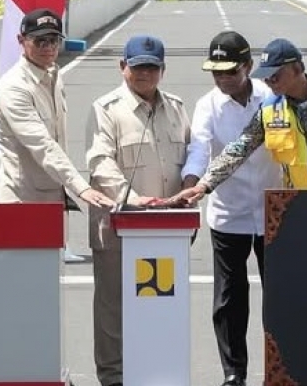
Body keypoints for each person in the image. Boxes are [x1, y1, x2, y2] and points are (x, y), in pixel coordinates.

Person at [173, 37, 307, 386]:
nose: (270, 81)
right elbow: (239, 149)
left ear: (298, 69)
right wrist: (204, 185)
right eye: (267, 76)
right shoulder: (270, 109)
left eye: (277, 75)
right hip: (302, 221)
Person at [86, 34, 191, 386]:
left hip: (166, 232)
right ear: (122, 67)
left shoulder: (176, 108)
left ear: (162, 70)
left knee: (161, 304)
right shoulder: (106, 109)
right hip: (120, 226)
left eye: (151, 67)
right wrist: (131, 198)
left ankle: (159, 370)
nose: (144, 73)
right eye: (137, 67)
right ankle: (113, 377)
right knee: (113, 308)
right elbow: (100, 163)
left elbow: (191, 155)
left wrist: (190, 187)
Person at [181, 31, 280, 386]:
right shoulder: (207, 105)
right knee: (229, 298)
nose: (223, 79)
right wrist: (191, 184)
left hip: (274, 209)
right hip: (228, 210)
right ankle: (234, 372)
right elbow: (199, 148)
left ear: (248, 67)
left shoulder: (271, 98)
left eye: (230, 72)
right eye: (216, 73)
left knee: (279, 293)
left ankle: (281, 366)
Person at [0, 8, 113, 210]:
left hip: (55, 196)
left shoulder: (53, 76)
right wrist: (81, 187)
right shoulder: (14, 88)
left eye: (54, 40)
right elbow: (43, 144)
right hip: (22, 201)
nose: (48, 47)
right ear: (21, 40)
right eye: (40, 41)